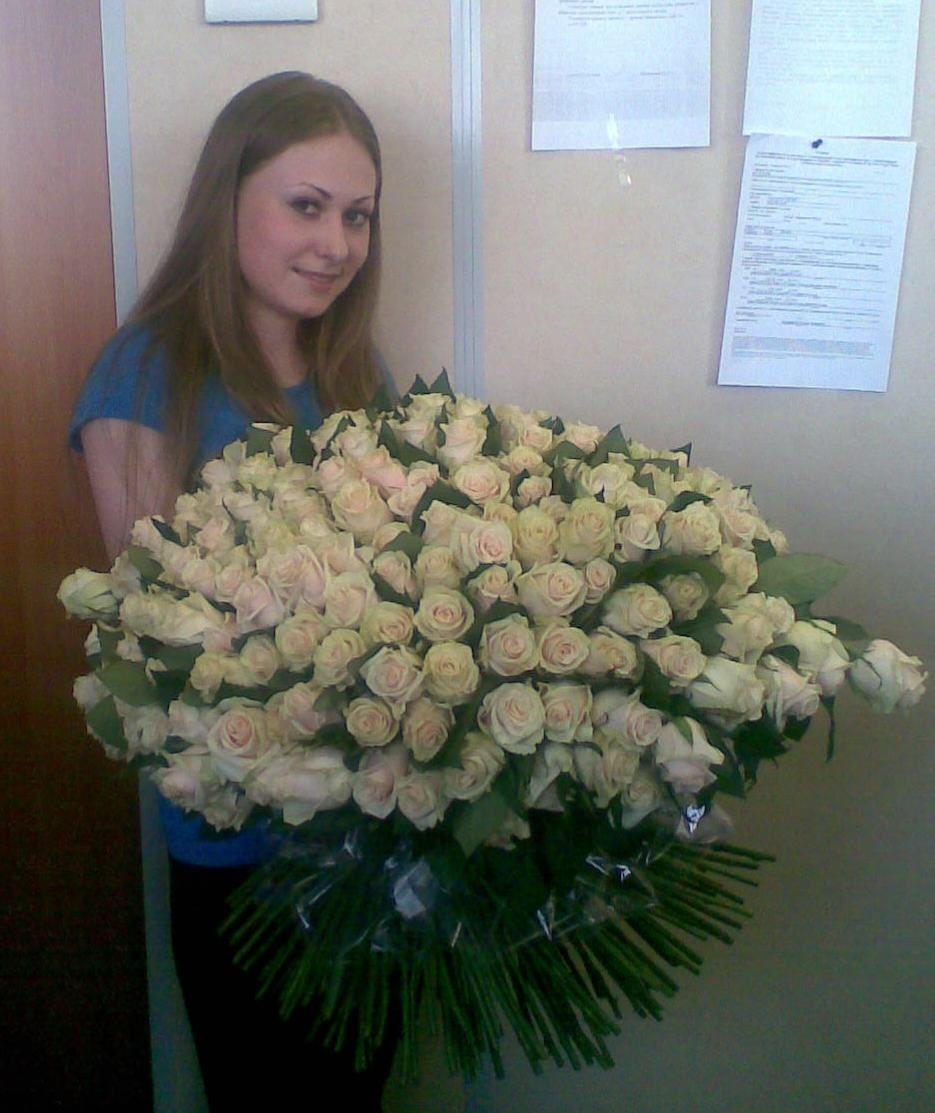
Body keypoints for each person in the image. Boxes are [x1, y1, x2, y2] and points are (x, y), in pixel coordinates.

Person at [70, 72, 398, 1110]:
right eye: (306, 206)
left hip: (379, 827)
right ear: (228, 201)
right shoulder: (147, 374)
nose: (336, 244)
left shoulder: (355, 371)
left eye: (356, 216)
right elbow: (159, 639)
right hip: (243, 844)